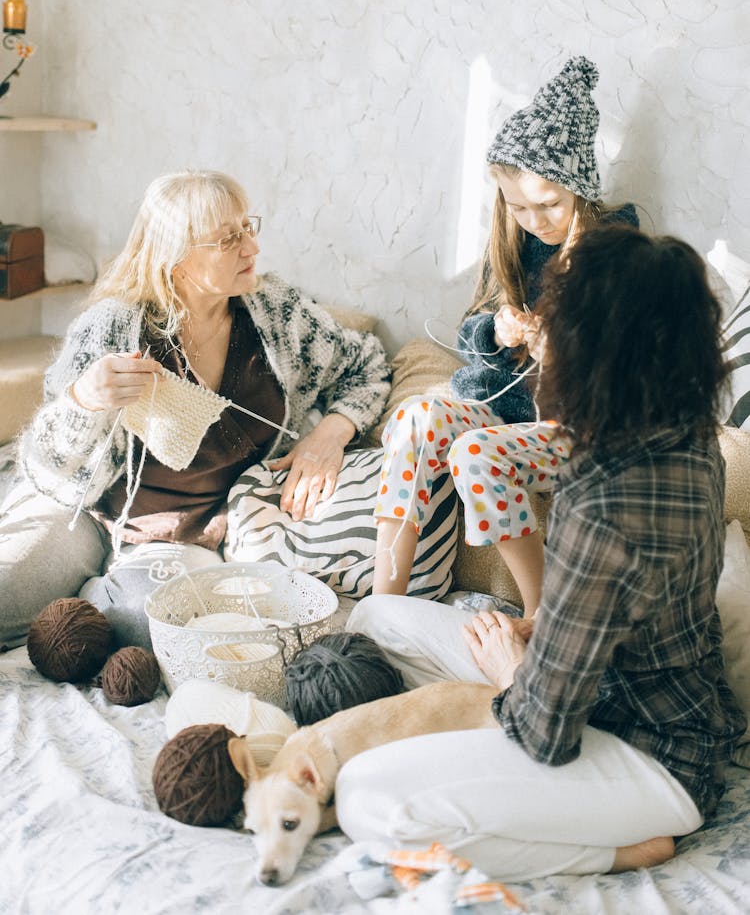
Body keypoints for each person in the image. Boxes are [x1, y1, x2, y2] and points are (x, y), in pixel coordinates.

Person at [339, 223, 747, 880]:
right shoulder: (682, 428)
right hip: (596, 686)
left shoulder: (611, 508)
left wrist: (512, 663)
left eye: (556, 325)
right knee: (372, 620)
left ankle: (618, 848)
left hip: (644, 754)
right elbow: (606, 612)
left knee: (366, 797)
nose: (542, 338)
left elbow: (544, 733)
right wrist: (544, 631)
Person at [0, 170, 391, 648]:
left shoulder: (278, 313)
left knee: (153, 632)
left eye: (250, 227)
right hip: (85, 512)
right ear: (176, 256)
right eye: (229, 238)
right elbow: (45, 465)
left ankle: (105, 595)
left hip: (188, 533)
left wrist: (330, 433)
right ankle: (95, 583)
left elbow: (366, 364)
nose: (253, 248)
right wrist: (83, 400)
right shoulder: (110, 327)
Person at [373, 56, 637, 614]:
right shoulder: (510, 245)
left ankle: (541, 611)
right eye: (518, 207)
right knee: (415, 417)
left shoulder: (618, 249)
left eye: (550, 206)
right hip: (501, 412)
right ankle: (383, 604)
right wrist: (495, 331)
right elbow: (473, 347)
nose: (535, 220)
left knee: (475, 453)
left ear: (581, 192)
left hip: (577, 427)